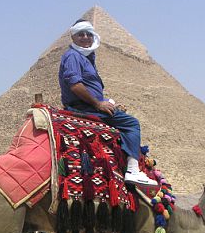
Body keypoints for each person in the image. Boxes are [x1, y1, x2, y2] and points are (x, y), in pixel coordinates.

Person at [58, 19, 157, 186]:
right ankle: (133, 170)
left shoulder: (87, 56)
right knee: (131, 123)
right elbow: (75, 86)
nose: (85, 37)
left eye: (88, 34)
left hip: (90, 104)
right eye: (80, 34)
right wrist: (98, 104)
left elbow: (88, 87)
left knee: (116, 113)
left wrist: (105, 102)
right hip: (85, 108)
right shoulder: (73, 56)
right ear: (73, 37)